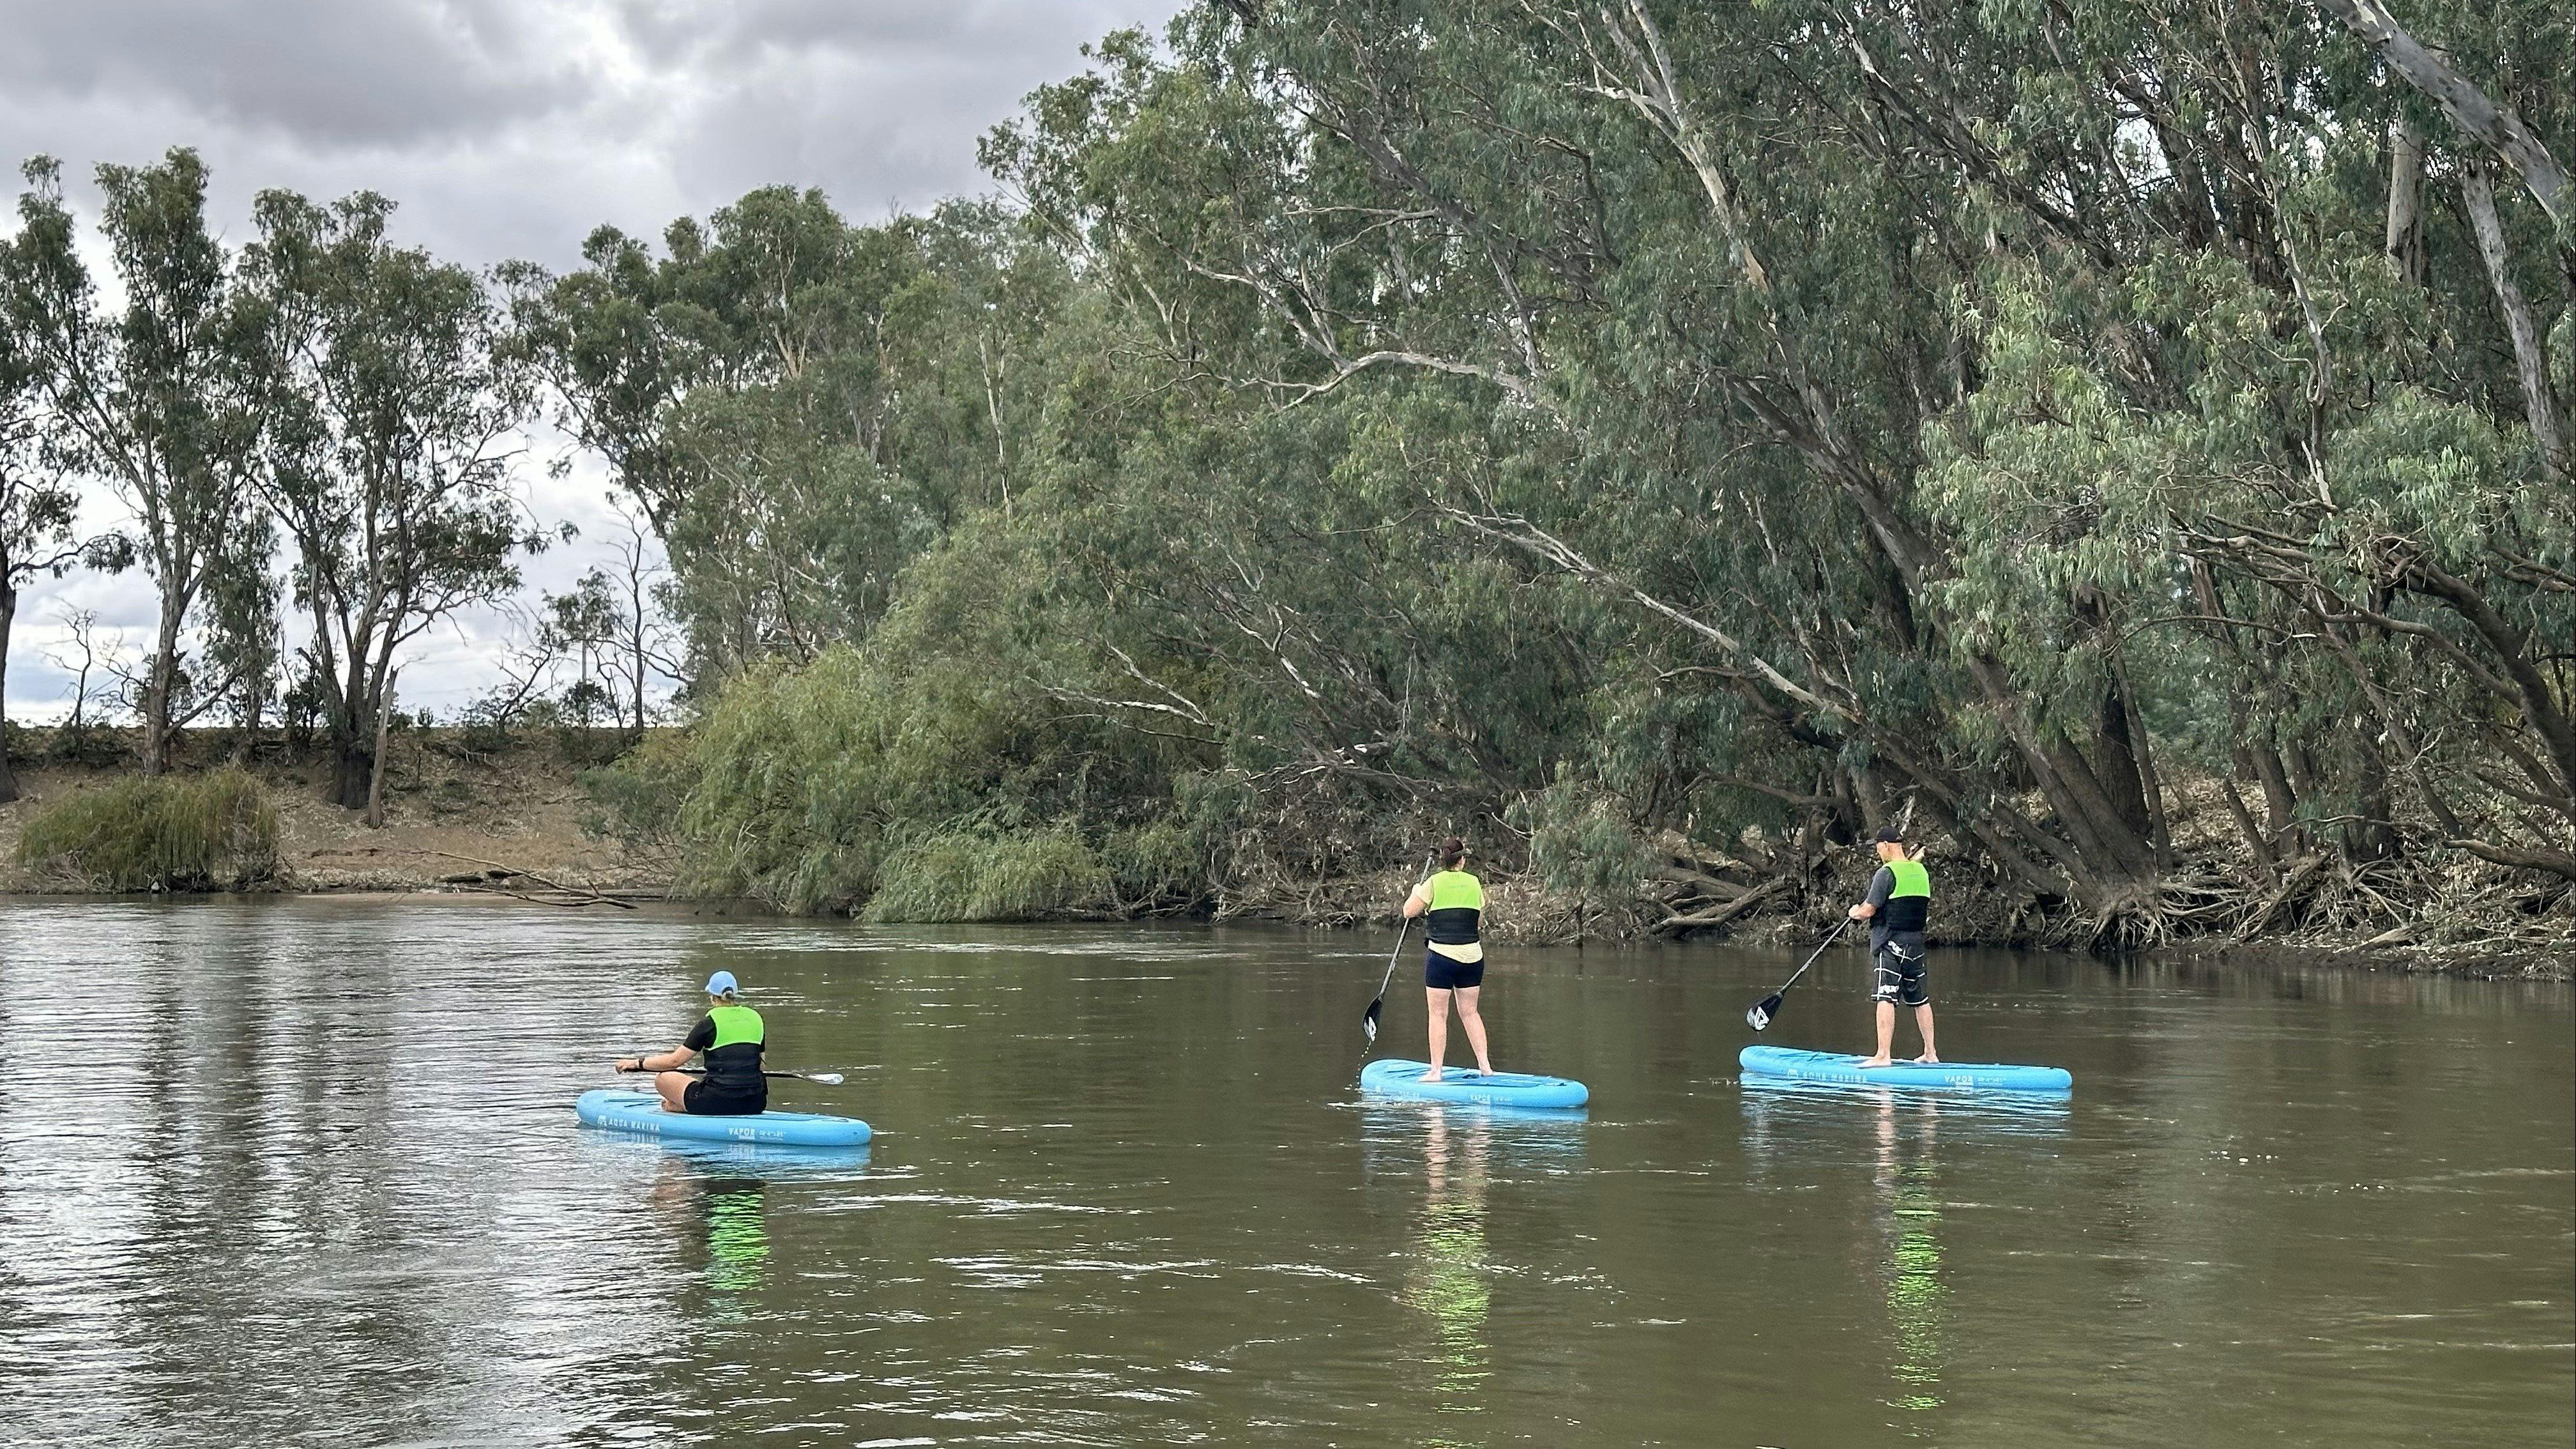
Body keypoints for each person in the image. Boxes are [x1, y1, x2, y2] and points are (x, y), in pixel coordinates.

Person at [1401, 837, 1494, 1080]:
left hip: (1442, 958)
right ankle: (1485, 1066)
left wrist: (1416, 892)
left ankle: (1436, 1071)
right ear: (1462, 860)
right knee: (1471, 1012)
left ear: (1443, 861)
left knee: (1438, 1014)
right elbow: (1479, 920)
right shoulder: (1475, 883)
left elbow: (1408, 911)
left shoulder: (1433, 883)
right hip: (1473, 957)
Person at [615, 970, 768, 1115]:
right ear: (735, 995)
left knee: (663, 1078)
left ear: (712, 996)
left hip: (717, 1102)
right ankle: (680, 1105)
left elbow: (674, 1061)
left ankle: (677, 1106)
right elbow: (761, 1065)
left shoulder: (708, 1024)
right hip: (756, 1102)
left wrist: (638, 1063)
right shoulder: (756, 1019)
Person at [1848, 827, 1936, 1067]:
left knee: (1885, 997)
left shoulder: (1885, 873)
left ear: (1885, 845)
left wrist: (1854, 912)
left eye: (1878, 847)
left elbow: (1869, 910)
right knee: (1920, 999)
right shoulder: (1921, 871)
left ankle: (1883, 1055)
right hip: (1916, 944)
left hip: (1890, 944)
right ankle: (1931, 1053)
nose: (1878, 853)